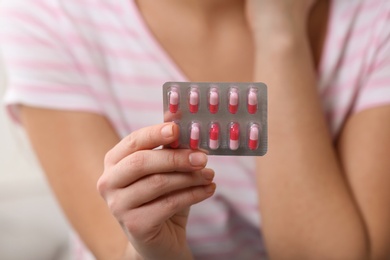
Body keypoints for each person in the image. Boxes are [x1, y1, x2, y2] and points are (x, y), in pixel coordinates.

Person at [1, 0, 390, 259]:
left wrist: (280, 34)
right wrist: (150, 250)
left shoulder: (374, 18)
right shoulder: (47, 13)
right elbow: (115, 248)